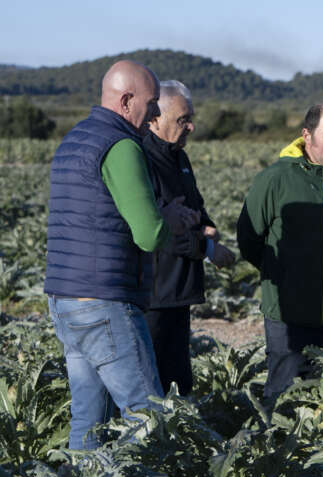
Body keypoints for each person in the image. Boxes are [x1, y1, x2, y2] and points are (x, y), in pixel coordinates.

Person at [44, 60, 198, 450]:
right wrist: (172, 221)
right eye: (150, 104)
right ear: (127, 100)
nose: (153, 116)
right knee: (147, 416)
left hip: (65, 298)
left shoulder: (75, 138)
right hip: (105, 301)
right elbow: (149, 234)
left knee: (89, 420)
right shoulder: (122, 146)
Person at [237, 104, 323, 401]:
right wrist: (280, 273)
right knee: (282, 399)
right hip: (288, 316)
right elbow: (249, 238)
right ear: (306, 135)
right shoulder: (275, 179)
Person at [143, 80, 236, 396]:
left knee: (179, 381)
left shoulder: (179, 158)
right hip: (153, 292)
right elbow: (156, 229)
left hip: (179, 290)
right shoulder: (142, 158)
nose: (192, 127)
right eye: (184, 119)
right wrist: (207, 247)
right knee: (150, 382)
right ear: (155, 118)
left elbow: (195, 205)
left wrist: (207, 226)